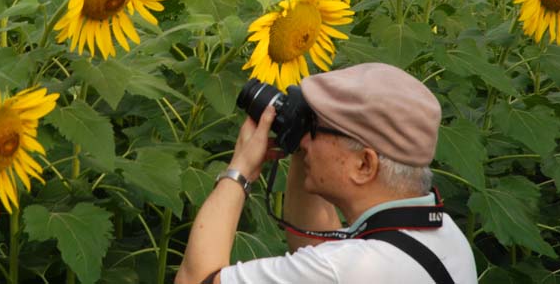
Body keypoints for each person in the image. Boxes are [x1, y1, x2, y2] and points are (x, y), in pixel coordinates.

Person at [174, 62, 478, 284]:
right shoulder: (446, 236)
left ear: (364, 165)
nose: (306, 141)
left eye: (315, 129)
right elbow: (316, 246)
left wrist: (240, 170)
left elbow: (195, 280)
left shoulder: (350, 269)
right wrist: (297, 141)